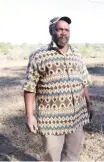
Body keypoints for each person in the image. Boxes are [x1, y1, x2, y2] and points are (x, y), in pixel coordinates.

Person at [22, 16, 93, 161]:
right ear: (52, 31)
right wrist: (30, 116)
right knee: (52, 158)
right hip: (51, 121)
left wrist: (89, 104)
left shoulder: (77, 55)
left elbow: (83, 82)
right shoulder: (39, 56)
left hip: (76, 118)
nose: (63, 33)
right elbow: (30, 88)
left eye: (66, 30)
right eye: (60, 29)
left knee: (72, 156)